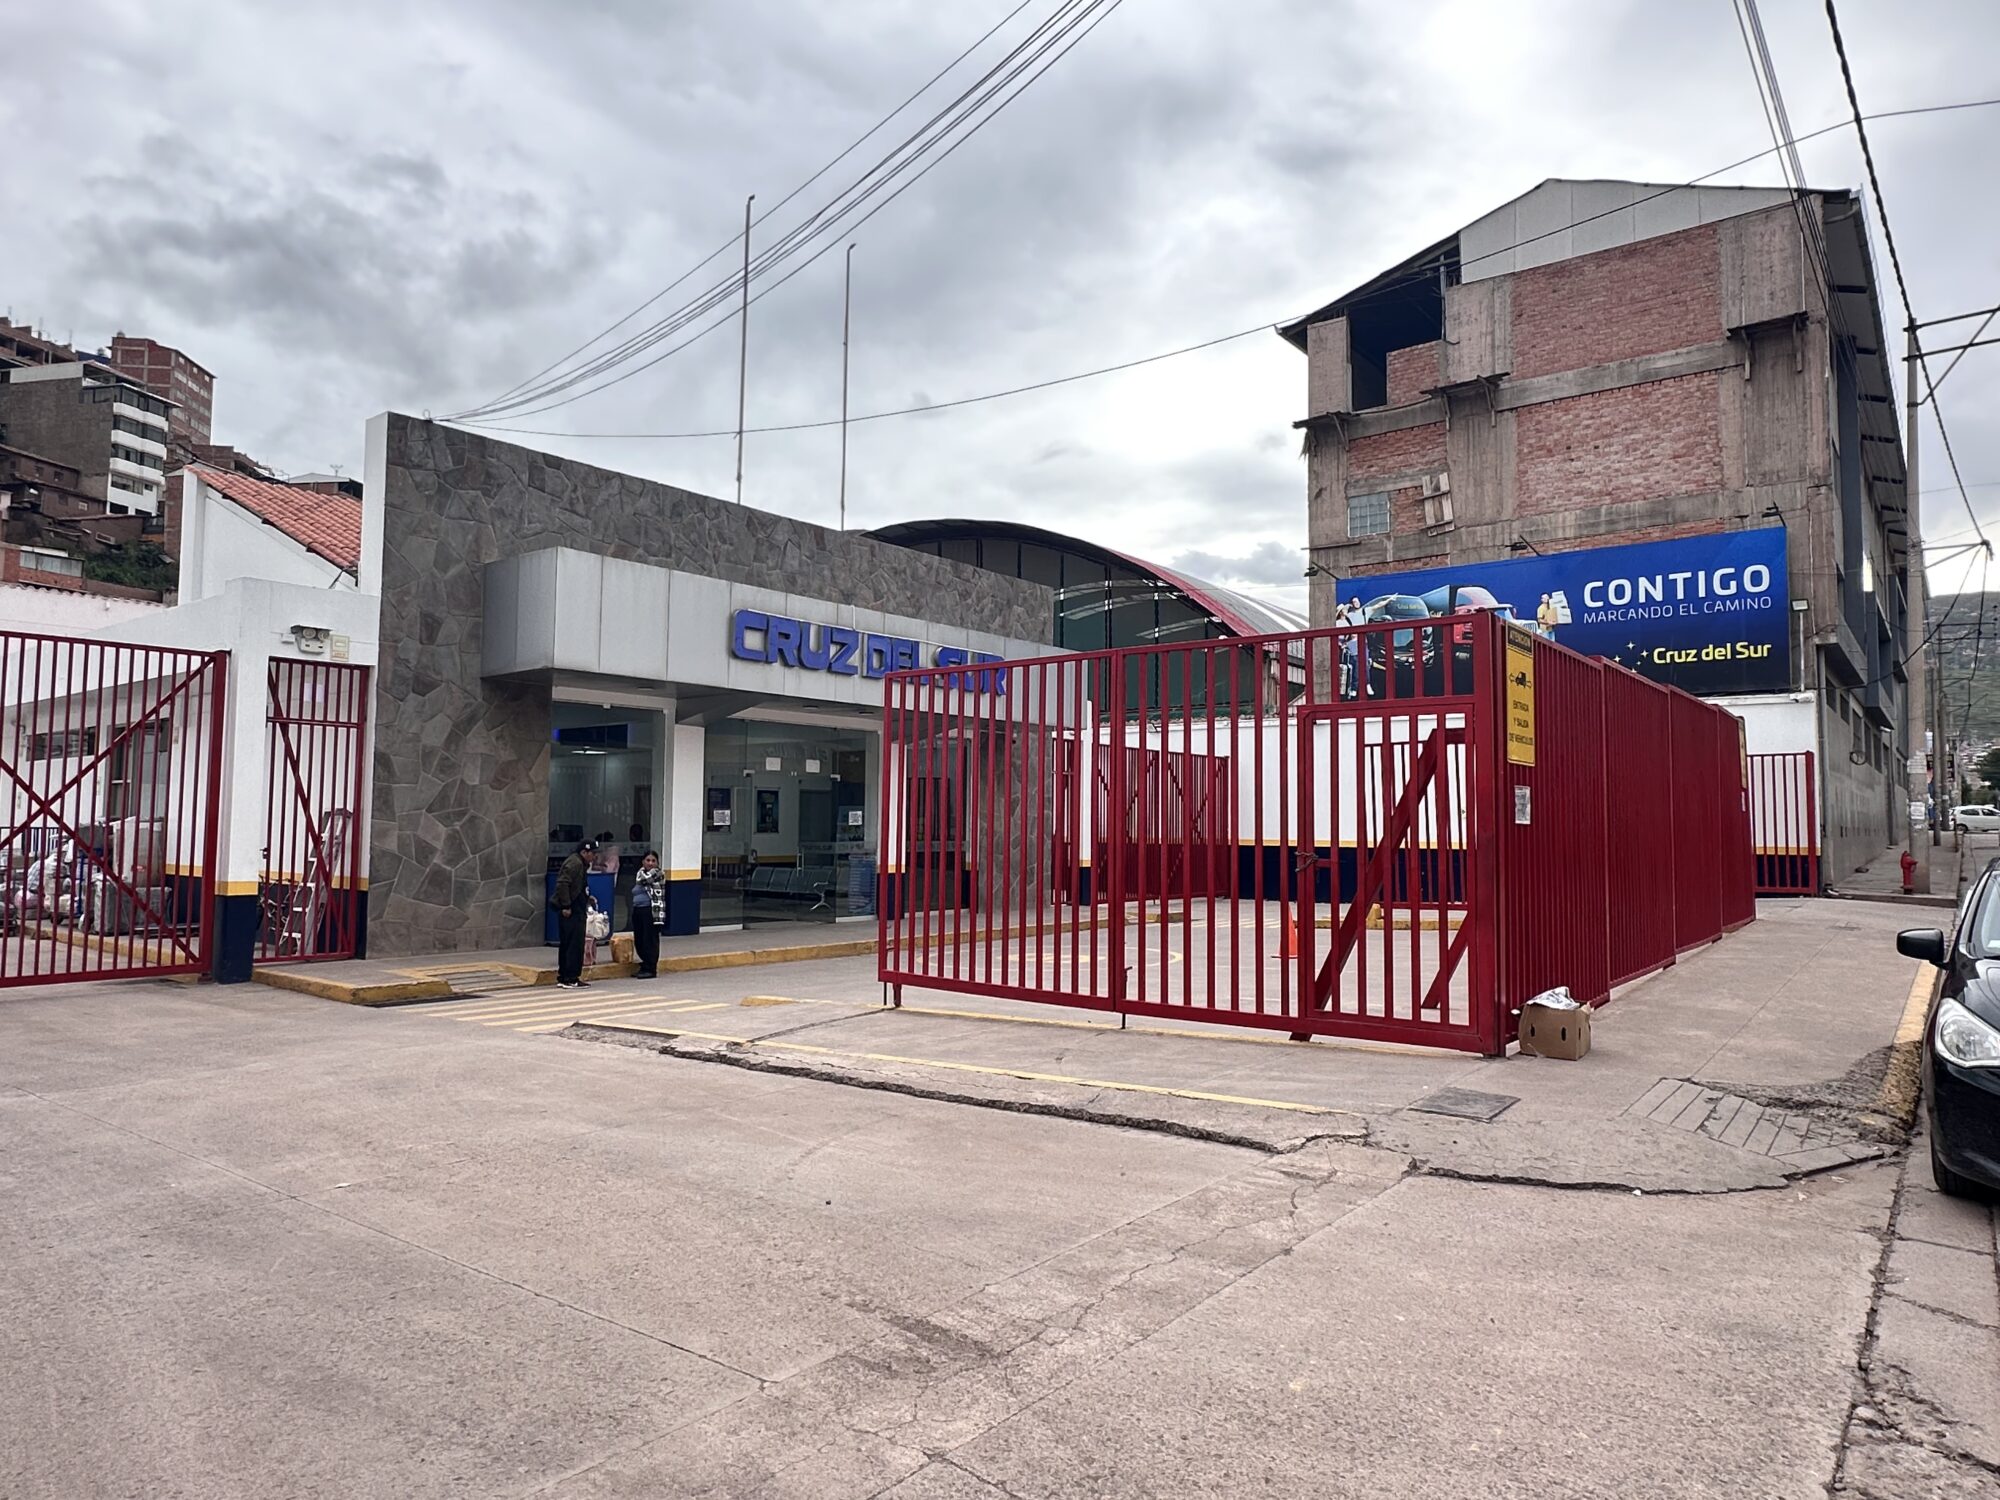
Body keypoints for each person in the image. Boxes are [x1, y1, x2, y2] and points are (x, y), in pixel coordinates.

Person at [551, 838, 595, 989]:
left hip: (577, 906)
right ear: (584, 852)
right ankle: (570, 977)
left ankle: (566, 976)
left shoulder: (580, 864)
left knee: (569, 943)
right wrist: (566, 905)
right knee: (574, 944)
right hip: (573, 910)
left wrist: (588, 898)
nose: (594, 856)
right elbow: (563, 883)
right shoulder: (575, 863)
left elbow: (577, 887)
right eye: (592, 853)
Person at [631, 851, 664, 979]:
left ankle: (651, 968)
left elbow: (645, 881)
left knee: (649, 939)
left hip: (651, 910)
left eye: (653, 861)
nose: (650, 863)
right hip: (638, 909)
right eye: (647, 860)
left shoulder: (658, 873)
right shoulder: (640, 873)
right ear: (643, 861)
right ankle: (644, 964)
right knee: (640, 939)